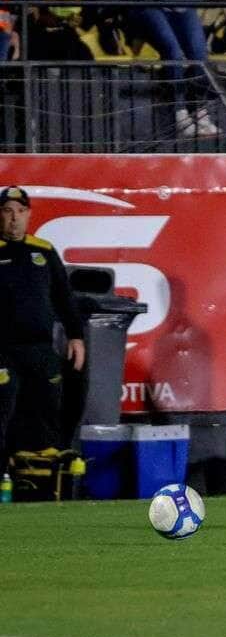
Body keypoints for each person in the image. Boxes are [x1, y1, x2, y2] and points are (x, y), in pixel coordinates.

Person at [0, 186, 85, 461]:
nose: (15, 218)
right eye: (8, 211)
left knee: (50, 398)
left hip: (39, 346)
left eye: (21, 212)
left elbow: (64, 296)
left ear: (29, 215)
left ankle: (44, 463)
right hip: (3, 349)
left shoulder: (44, 251)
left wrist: (76, 336)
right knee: (5, 400)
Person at [126, 0, 221, 137]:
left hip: (181, 5)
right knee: (173, 51)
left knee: (199, 54)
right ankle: (180, 113)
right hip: (148, 4)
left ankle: (200, 111)